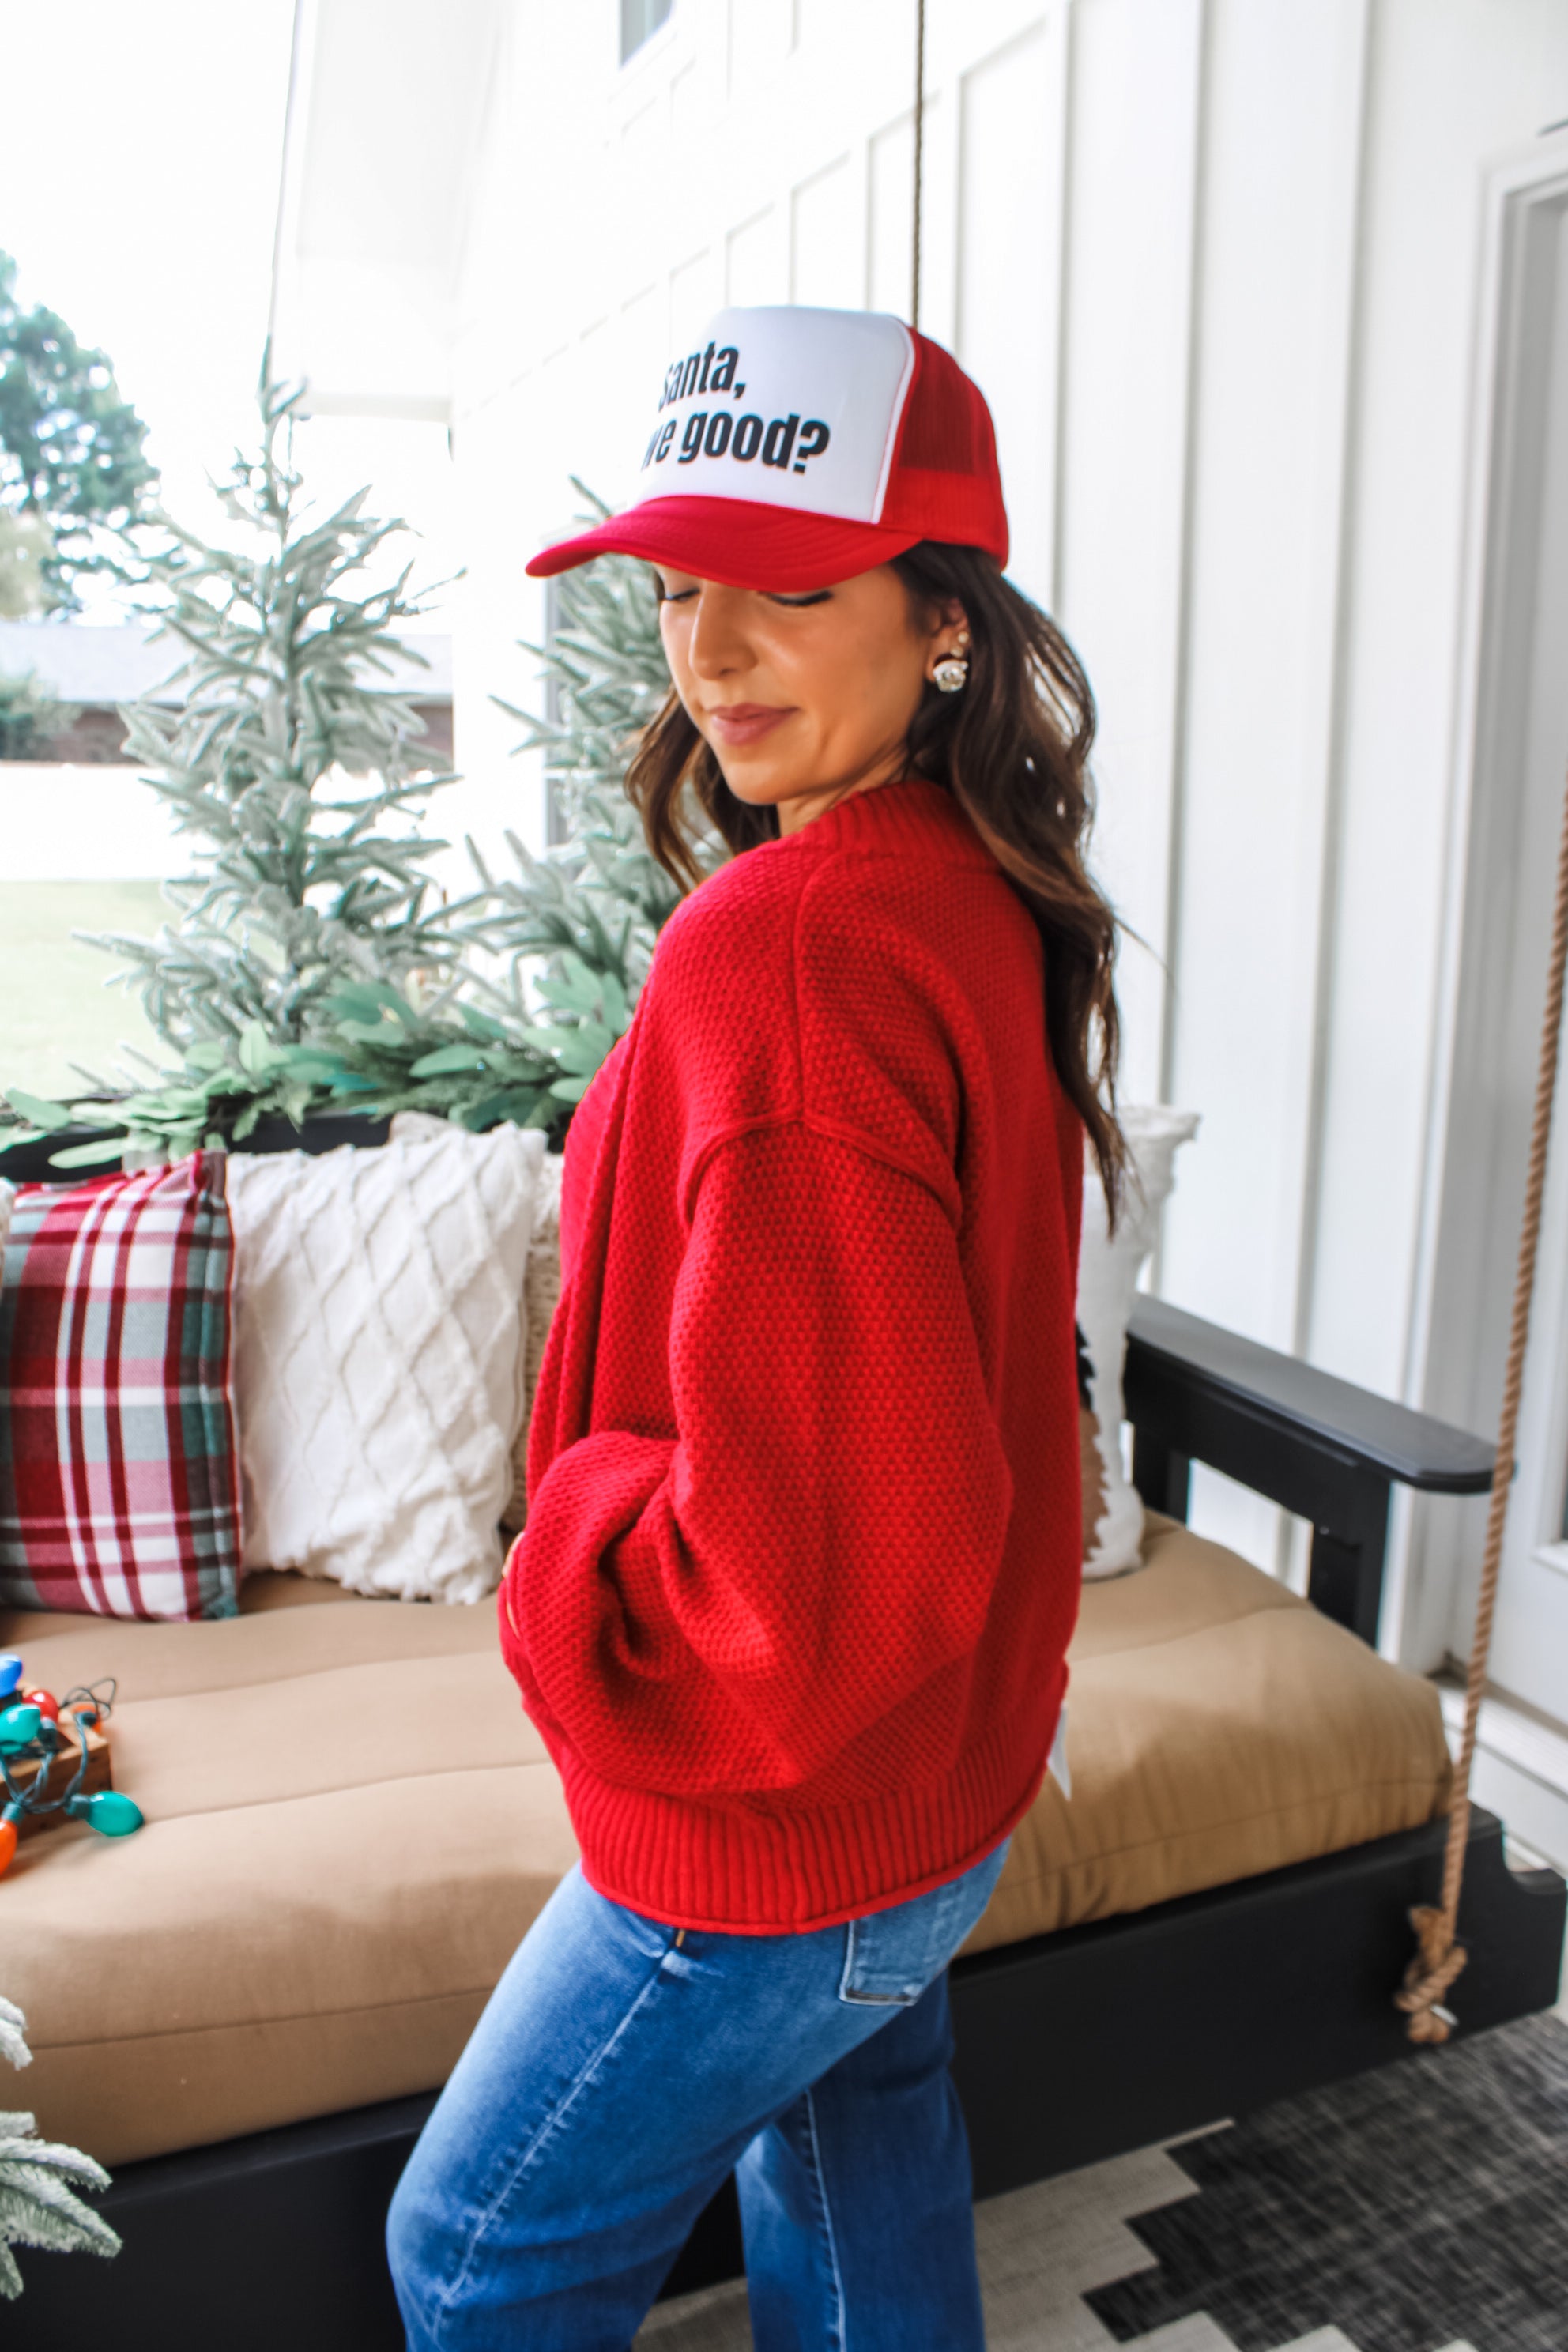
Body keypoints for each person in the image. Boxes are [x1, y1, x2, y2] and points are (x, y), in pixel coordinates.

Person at [387, 303, 1123, 2352]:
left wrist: (569, 1549)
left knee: (474, 2247)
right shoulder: (968, 886)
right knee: (857, 2175)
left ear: (943, 618)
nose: (707, 651)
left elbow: (817, 1576)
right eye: (677, 584)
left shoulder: (788, 949)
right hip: (927, 1799)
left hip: (784, 1833)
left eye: (786, 588)